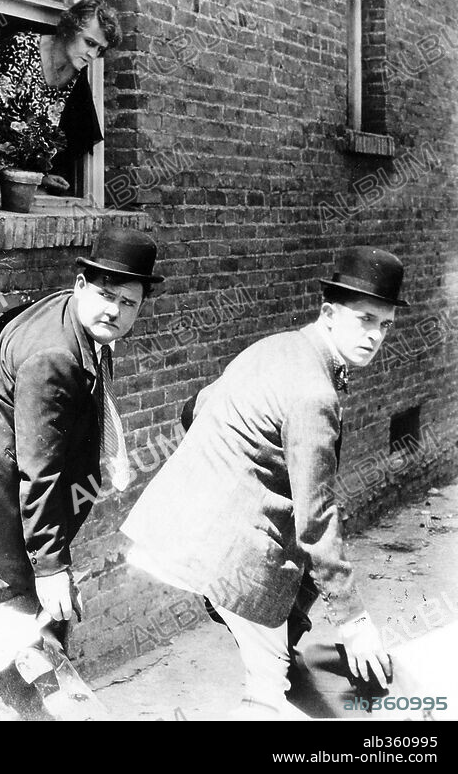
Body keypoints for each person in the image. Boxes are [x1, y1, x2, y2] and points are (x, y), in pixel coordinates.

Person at [121, 246, 405, 718]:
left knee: (291, 614)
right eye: (365, 319)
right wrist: (354, 618)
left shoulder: (278, 346)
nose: (375, 335)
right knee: (268, 686)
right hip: (225, 549)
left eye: (385, 325)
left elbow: (195, 407)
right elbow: (316, 520)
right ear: (329, 314)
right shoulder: (313, 392)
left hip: (178, 523)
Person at [0, 228, 164, 719]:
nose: (116, 313)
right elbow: (39, 472)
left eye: (129, 303)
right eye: (106, 295)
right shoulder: (54, 357)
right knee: (8, 644)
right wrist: (52, 568)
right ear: (81, 285)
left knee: (35, 637)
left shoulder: (65, 313)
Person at [0, 0, 119, 194]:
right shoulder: (21, 48)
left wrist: (42, 177)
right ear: (69, 28)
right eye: (89, 42)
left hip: (21, 187)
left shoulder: (74, 75)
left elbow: (41, 140)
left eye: (100, 49)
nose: (93, 55)